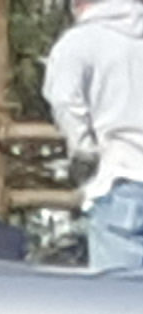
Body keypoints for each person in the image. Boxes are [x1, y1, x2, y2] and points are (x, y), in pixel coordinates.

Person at [51, 0, 143, 272]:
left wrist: (82, 150)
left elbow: (64, 101)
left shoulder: (79, 43)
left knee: (120, 300)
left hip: (120, 177)